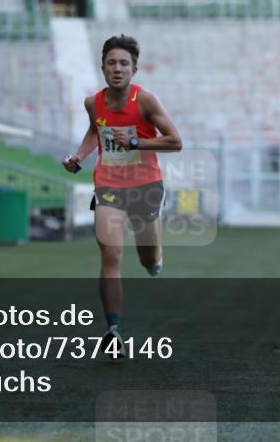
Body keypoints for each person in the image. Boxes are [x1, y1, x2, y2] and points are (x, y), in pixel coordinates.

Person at [62, 34, 182, 357]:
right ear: (103, 67)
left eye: (124, 64)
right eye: (112, 63)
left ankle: (155, 257)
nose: (118, 69)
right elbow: (94, 130)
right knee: (111, 255)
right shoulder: (93, 103)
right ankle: (113, 330)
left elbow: (175, 141)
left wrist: (135, 144)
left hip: (145, 184)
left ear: (135, 69)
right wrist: (79, 156)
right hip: (109, 184)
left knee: (147, 259)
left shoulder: (146, 101)